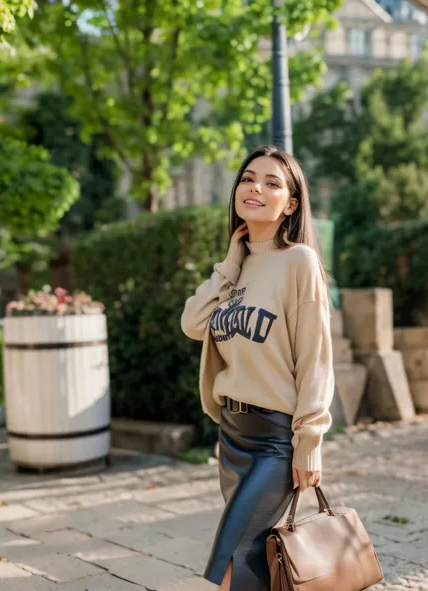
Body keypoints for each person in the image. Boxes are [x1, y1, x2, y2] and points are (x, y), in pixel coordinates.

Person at [180, 145, 335, 591]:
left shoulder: (299, 263)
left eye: (272, 182)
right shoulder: (239, 267)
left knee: (230, 566)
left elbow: (315, 358)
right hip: (233, 436)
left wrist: (310, 441)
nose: (255, 187)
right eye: (248, 178)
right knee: (256, 570)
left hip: (275, 441)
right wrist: (231, 262)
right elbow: (192, 324)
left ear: (290, 205)